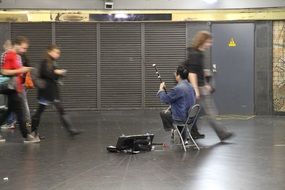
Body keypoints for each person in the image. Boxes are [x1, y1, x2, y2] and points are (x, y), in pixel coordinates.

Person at [184, 31, 233, 141]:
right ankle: (222, 134)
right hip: (198, 89)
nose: (210, 44)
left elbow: (197, 71)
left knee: (196, 112)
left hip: (201, 87)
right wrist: (196, 90)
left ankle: (189, 132)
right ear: (202, 41)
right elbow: (192, 74)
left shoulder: (198, 53)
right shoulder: (196, 55)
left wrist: (205, 80)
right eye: (208, 42)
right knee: (210, 112)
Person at [31, 45, 81, 139]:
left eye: (58, 53)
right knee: (39, 111)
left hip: (52, 91)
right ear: (49, 52)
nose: (57, 54)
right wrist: (56, 72)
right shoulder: (44, 62)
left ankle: (71, 130)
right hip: (46, 91)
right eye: (56, 52)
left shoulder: (53, 62)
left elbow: (53, 77)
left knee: (60, 109)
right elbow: (45, 74)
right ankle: (33, 132)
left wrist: (60, 73)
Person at [0, 36, 39, 143]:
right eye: (23, 48)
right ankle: (27, 136)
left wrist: (23, 71)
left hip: (16, 87)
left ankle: (27, 135)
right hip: (12, 88)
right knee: (20, 112)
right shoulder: (10, 55)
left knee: (9, 111)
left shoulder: (16, 56)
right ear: (16, 45)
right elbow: (4, 72)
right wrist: (22, 69)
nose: (24, 51)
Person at [158, 65, 196, 142]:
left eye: (176, 73)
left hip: (181, 118)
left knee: (164, 113)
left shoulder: (177, 88)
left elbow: (165, 100)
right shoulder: (191, 86)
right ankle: (182, 134)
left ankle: (174, 130)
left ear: (178, 76)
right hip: (190, 117)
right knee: (171, 111)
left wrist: (161, 89)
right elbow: (184, 100)